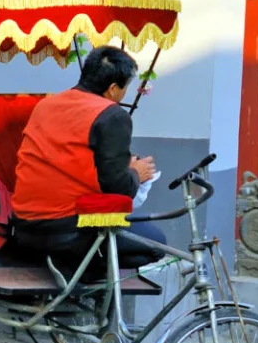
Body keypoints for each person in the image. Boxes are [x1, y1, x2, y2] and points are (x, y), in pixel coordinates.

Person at [10, 46, 166, 273]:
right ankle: (84, 278)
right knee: (156, 245)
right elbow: (118, 187)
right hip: (67, 230)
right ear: (113, 89)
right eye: (125, 88)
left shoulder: (45, 105)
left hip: (23, 225)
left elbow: (71, 158)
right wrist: (136, 172)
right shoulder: (112, 114)